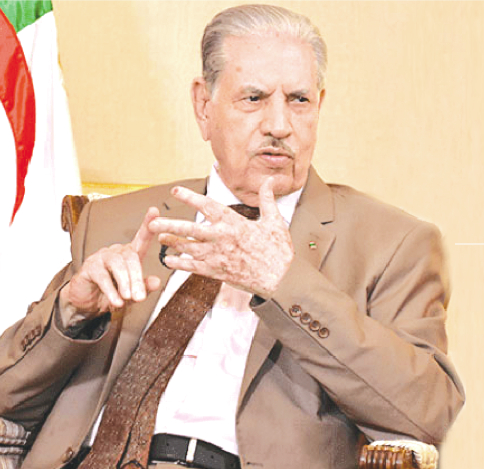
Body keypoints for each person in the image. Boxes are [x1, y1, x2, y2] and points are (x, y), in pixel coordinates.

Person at [0, 4, 464, 469]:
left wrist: (283, 281)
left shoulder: (392, 244)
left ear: (319, 106)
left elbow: (426, 413)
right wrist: (70, 314)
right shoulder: (115, 223)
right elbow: (7, 395)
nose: (279, 125)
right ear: (204, 106)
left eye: (299, 100)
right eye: (254, 98)